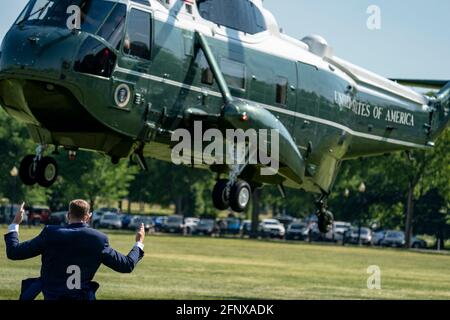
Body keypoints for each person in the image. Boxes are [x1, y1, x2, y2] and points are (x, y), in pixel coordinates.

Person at [4, 200, 145, 300]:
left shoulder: (50, 233)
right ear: (88, 217)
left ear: (68, 215)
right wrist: (138, 243)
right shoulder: (98, 239)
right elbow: (126, 265)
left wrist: (15, 224)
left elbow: (14, 252)